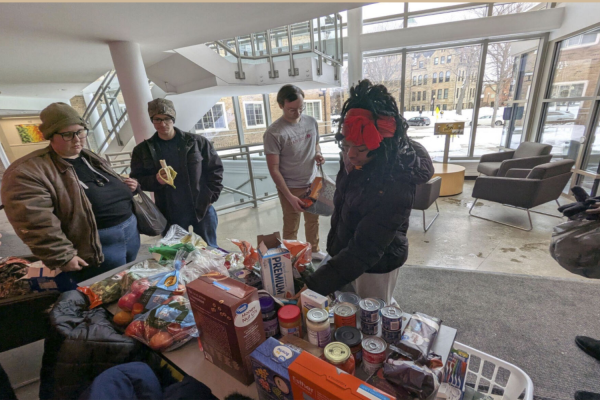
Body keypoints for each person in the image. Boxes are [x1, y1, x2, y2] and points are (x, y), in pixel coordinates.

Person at [300, 80, 434, 303]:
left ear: (383, 147)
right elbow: (350, 201)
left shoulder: (395, 182)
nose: (350, 155)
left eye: (360, 148)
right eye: (345, 146)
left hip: (377, 263)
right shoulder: (357, 158)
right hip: (346, 254)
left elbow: (366, 248)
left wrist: (316, 284)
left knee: (375, 317)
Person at [1, 103, 140, 289]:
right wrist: (61, 255)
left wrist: (128, 187)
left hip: (129, 233)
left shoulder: (86, 156)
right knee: (102, 291)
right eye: (67, 134)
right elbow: (34, 221)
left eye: (80, 131)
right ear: (50, 136)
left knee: (127, 282)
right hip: (94, 245)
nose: (77, 139)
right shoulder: (27, 171)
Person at [130, 99, 224, 248]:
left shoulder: (197, 142)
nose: (162, 124)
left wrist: (211, 197)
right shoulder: (142, 150)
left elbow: (215, 170)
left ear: (173, 119)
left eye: (167, 119)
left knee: (209, 250)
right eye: (157, 120)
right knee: (176, 255)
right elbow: (137, 180)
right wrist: (157, 180)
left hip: (202, 206)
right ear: (152, 121)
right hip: (169, 212)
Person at [264, 85, 327, 259]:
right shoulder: (274, 132)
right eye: (292, 109)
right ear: (280, 105)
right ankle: (289, 257)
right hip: (290, 186)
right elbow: (273, 169)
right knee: (291, 223)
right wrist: (289, 196)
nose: (298, 113)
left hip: (313, 181)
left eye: (301, 108)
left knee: (313, 219)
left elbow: (316, 144)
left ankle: (313, 250)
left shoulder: (311, 122)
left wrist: (318, 154)